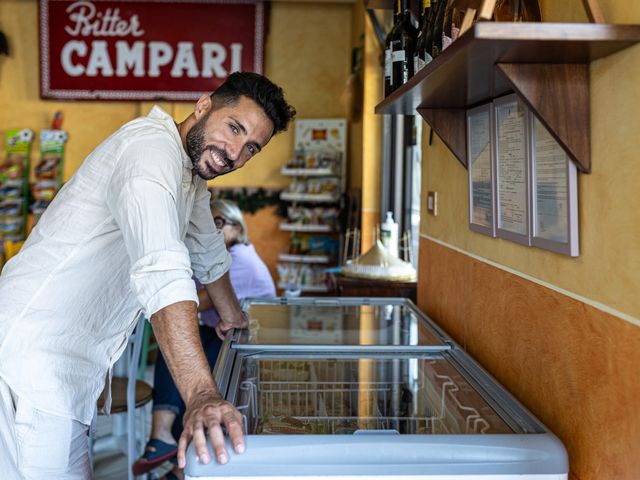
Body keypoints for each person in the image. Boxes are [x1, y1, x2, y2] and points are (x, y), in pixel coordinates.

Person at [0, 72, 295, 478]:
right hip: (28, 364)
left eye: (250, 148)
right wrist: (201, 396)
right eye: (234, 128)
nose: (234, 153)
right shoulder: (150, 154)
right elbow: (163, 272)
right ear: (204, 105)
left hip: (65, 374)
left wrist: (232, 317)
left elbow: (208, 250)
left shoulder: (187, 172)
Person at [133, 199, 275, 478]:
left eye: (218, 224)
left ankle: (172, 454)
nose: (210, 230)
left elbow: (199, 302)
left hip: (249, 346)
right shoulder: (225, 255)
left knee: (181, 349)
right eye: (206, 224)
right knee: (179, 345)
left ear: (237, 228)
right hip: (229, 338)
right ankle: (171, 450)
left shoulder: (239, 257)